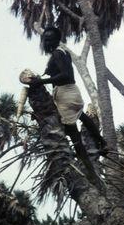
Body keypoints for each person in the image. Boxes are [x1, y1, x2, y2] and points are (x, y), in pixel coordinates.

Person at [29, 27, 107, 160]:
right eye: (45, 40)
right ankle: (101, 142)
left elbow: (66, 75)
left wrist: (41, 82)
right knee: (81, 116)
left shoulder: (57, 54)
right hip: (71, 92)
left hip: (65, 92)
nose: (47, 43)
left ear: (57, 40)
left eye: (50, 40)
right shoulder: (63, 52)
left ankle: (83, 157)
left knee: (70, 127)